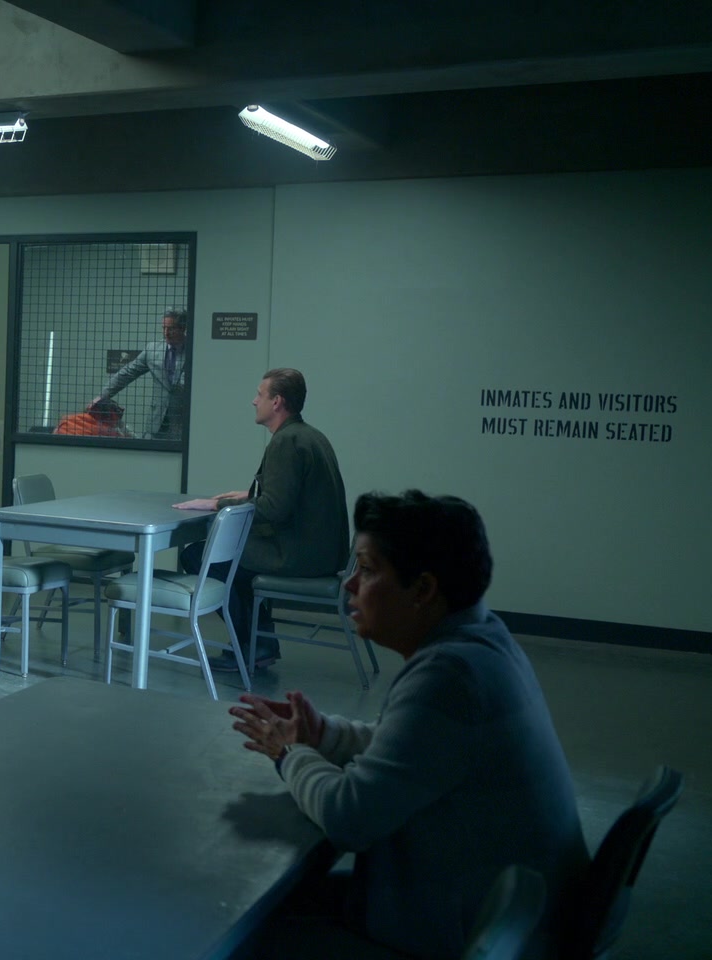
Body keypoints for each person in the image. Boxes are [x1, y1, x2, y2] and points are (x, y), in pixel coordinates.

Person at [229, 491, 588, 960]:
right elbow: (408, 746)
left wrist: (289, 753)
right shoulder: (483, 640)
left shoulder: (449, 678)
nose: (349, 584)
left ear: (422, 590)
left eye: (366, 569)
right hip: (504, 916)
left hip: (464, 933)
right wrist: (322, 735)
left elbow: (348, 818)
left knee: (250, 933)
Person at [175, 368, 347, 672]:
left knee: (200, 556)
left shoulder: (285, 442)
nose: (254, 401)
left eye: (260, 394)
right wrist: (249, 495)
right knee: (229, 561)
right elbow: (292, 495)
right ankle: (260, 642)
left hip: (298, 554)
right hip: (321, 551)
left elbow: (274, 509)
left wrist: (217, 504)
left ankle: (251, 646)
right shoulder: (309, 436)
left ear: (276, 401)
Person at [93, 308, 190, 440]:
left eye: (171, 328)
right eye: (164, 328)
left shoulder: (194, 350)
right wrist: (102, 396)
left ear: (182, 328)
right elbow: (127, 373)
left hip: (184, 422)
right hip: (156, 423)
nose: (166, 333)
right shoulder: (152, 350)